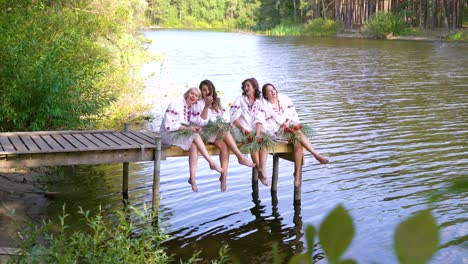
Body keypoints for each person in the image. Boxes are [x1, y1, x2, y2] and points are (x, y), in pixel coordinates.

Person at [192, 79, 255, 192]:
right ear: (201, 92)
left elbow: (226, 117)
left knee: (225, 147)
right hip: (205, 131)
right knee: (224, 131)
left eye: (208, 89)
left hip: (219, 131)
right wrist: (206, 106)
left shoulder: (219, 102)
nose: (207, 92)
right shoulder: (199, 103)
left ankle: (224, 177)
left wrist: (224, 123)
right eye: (204, 90)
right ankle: (240, 157)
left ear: (212, 89)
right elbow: (200, 121)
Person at [261, 83, 329, 187]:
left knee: (298, 141)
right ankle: (315, 155)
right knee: (297, 135)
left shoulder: (284, 99)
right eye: (269, 91)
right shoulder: (265, 105)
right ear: (266, 95)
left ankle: (297, 174)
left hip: (288, 129)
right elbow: (265, 123)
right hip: (275, 133)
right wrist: (281, 128)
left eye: (273, 89)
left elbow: (292, 114)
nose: (273, 91)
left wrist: (287, 123)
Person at [160, 87, 223, 192]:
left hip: (179, 133)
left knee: (194, 146)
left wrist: (194, 128)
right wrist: (188, 129)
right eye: (192, 93)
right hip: (167, 134)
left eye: (196, 95)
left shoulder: (190, 108)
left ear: (198, 99)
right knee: (196, 136)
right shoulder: (176, 104)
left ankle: (192, 178)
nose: (193, 96)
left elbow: (191, 124)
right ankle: (211, 162)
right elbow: (169, 125)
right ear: (186, 94)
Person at [229, 78, 269, 186]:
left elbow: (260, 118)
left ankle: (261, 169)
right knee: (252, 142)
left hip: (256, 129)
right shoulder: (240, 99)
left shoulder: (260, 101)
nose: (245, 88)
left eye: (248, 86)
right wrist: (242, 129)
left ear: (254, 87)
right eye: (244, 86)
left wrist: (257, 132)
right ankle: (259, 169)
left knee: (264, 141)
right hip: (241, 130)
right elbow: (234, 117)